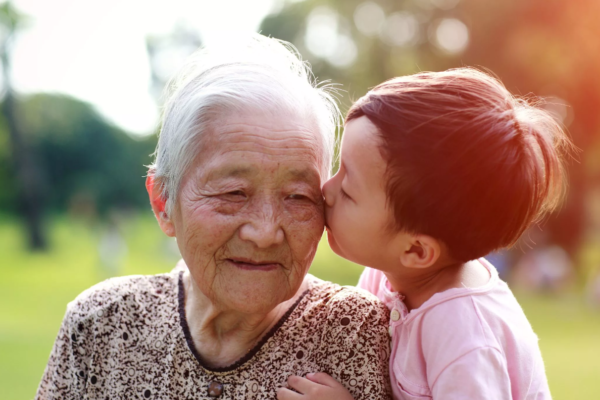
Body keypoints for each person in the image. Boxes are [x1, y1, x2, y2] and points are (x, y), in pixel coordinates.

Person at [36, 34, 392, 400]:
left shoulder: (355, 330)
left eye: (298, 196)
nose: (265, 232)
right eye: (234, 193)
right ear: (163, 202)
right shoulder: (100, 324)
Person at [278, 68, 570, 399]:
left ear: (417, 250)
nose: (326, 189)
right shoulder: (389, 272)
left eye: (347, 190)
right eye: (337, 168)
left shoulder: (466, 338)